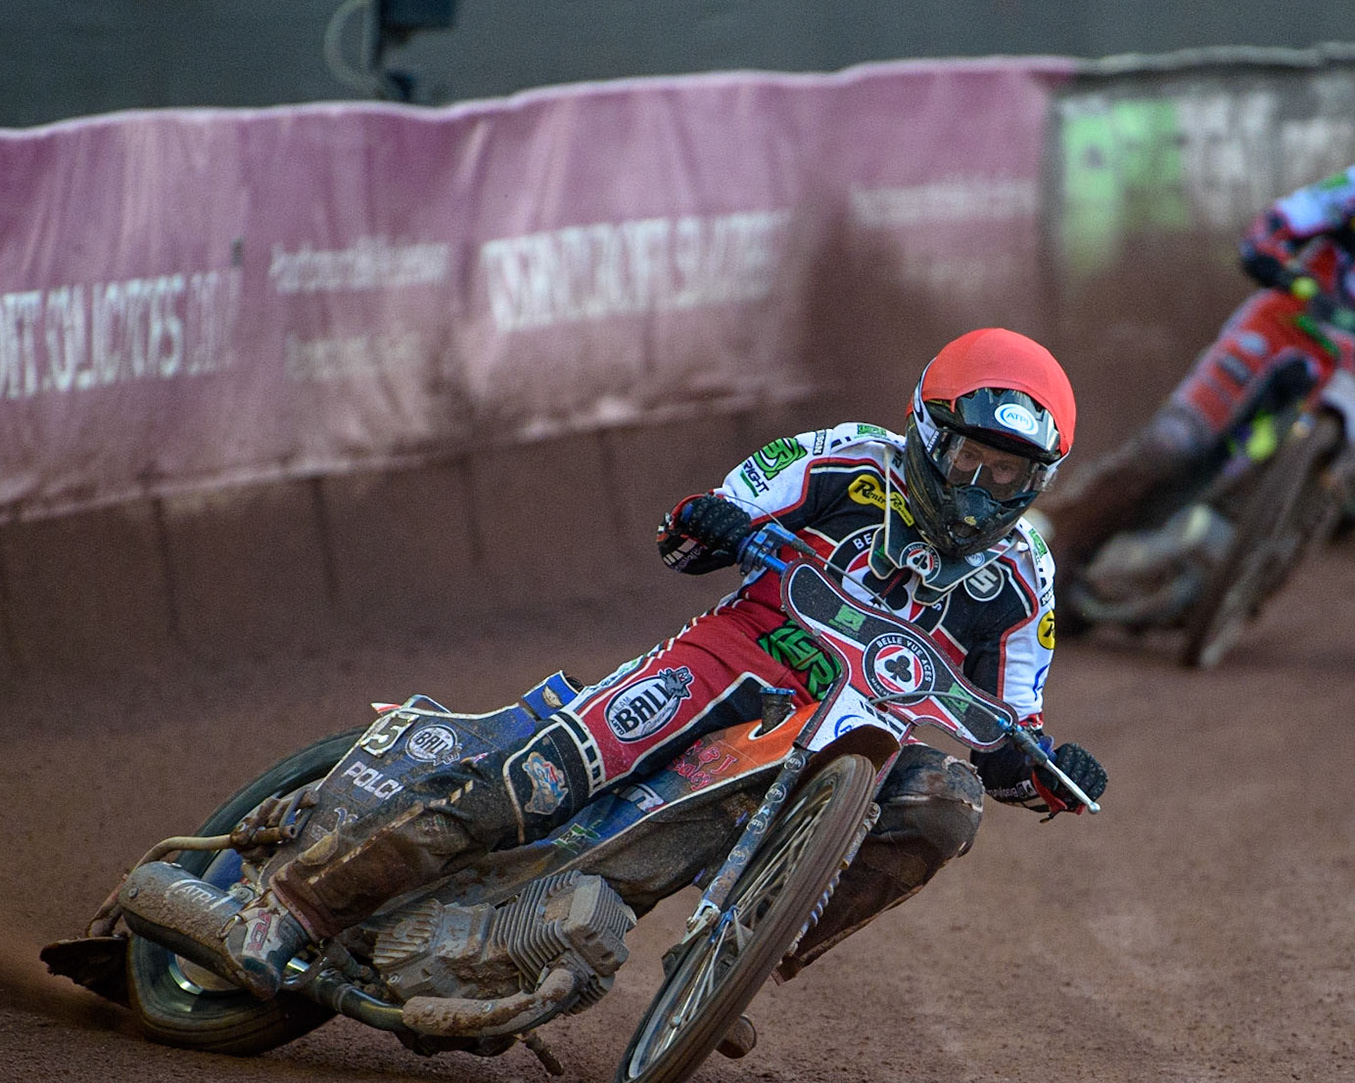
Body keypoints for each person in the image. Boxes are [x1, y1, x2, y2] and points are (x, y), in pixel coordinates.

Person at [140, 327, 1108, 1009]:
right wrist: (712, 520)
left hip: (842, 745)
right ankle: (290, 905)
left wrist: (1045, 764)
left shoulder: (1026, 576)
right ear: (932, 432)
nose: (990, 488)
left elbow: (1011, 719)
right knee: (535, 784)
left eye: (1014, 475)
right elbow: (709, 511)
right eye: (977, 460)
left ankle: (755, 941)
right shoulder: (842, 459)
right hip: (726, 666)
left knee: (947, 799)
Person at [1040, 101, 1355, 586]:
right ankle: (1056, 532)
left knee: (1338, 475)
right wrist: (1269, 254)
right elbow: (1282, 221)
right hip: (1287, 322)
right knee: (1170, 445)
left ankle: (1266, 565)